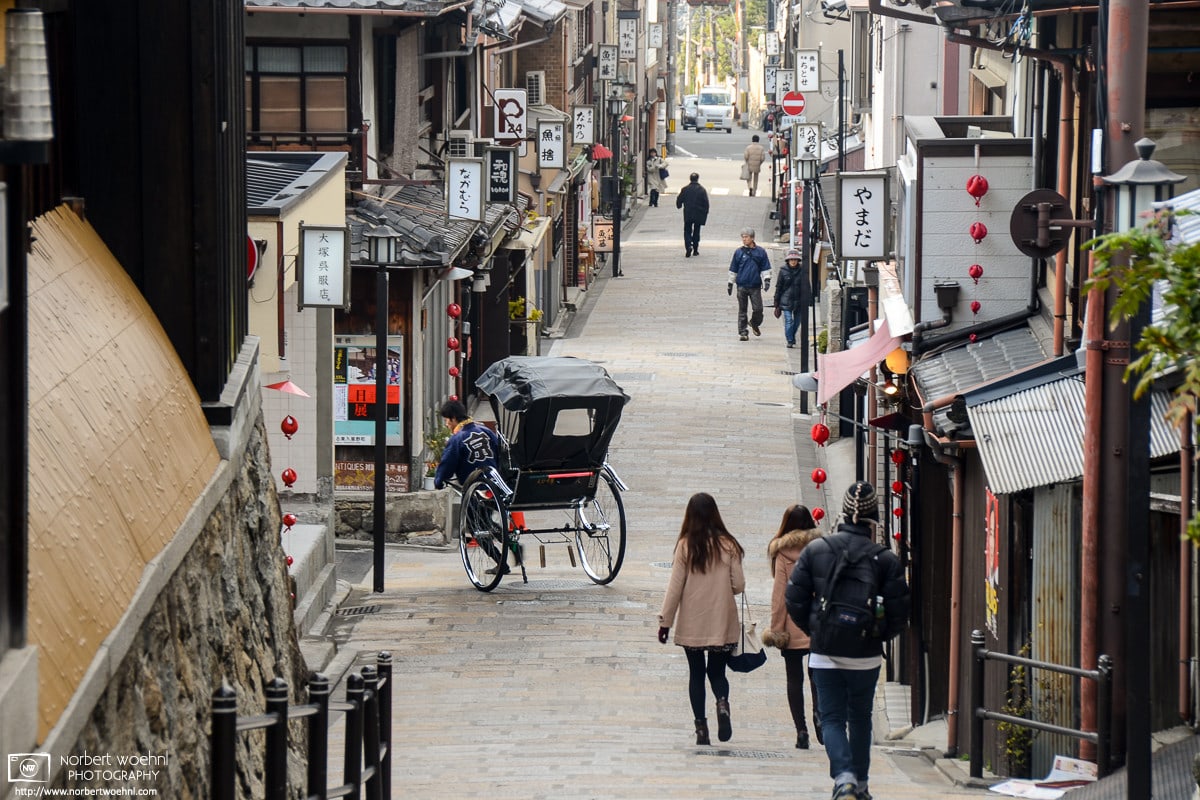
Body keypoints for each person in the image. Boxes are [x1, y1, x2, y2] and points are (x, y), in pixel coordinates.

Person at [785, 482, 911, 800]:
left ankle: (844, 780)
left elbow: (795, 599)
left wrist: (816, 630)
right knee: (860, 717)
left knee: (831, 718)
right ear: (874, 519)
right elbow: (899, 612)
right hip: (865, 653)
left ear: (843, 514)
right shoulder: (886, 560)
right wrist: (878, 635)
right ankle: (863, 783)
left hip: (825, 651)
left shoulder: (817, 550)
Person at [657, 492, 746, 746]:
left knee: (696, 673)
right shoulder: (729, 545)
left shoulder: (686, 545)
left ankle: (701, 730)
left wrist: (665, 622)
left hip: (693, 622)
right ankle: (722, 702)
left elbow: (675, 587)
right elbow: (739, 585)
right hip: (722, 619)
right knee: (717, 672)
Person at [763, 504, 823, 749]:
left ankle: (801, 731)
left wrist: (777, 629)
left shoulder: (783, 553)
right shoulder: (820, 550)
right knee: (818, 676)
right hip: (817, 623)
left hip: (793, 622)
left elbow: (780, 595)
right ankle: (820, 716)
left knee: (794, 679)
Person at [727, 228, 773, 341]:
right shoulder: (738, 252)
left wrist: (767, 280)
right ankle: (743, 332)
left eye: (746, 237)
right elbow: (734, 268)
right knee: (742, 310)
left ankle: (754, 322)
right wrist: (730, 283)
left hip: (755, 286)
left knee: (758, 309)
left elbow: (765, 267)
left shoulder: (761, 252)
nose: (744, 239)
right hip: (741, 285)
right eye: (742, 237)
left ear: (752, 238)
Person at [773, 249, 811, 349]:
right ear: (788, 261)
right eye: (791, 259)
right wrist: (776, 301)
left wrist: (809, 299)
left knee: (797, 321)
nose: (793, 261)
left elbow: (807, 285)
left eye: (795, 259)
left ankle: (792, 336)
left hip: (799, 300)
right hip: (786, 299)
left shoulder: (803, 270)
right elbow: (779, 286)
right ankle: (790, 340)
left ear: (798, 260)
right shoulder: (783, 270)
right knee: (788, 320)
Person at [675, 172, 710, 258]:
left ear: (690, 179)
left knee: (687, 230)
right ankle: (695, 249)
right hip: (699, 213)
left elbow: (679, 200)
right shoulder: (702, 190)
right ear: (697, 179)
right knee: (696, 230)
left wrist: (679, 205)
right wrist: (705, 213)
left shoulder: (685, 189)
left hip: (688, 213)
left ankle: (688, 246)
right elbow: (706, 203)